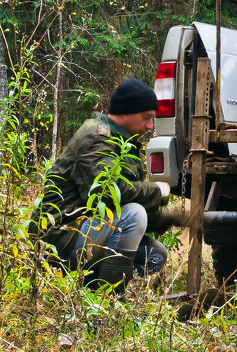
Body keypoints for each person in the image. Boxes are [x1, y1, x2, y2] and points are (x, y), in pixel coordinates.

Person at [32, 78, 177, 292]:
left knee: (154, 255)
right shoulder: (95, 138)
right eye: (146, 118)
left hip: (81, 233)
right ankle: (107, 299)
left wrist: (171, 219)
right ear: (126, 112)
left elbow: (117, 208)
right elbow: (109, 195)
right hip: (57, 240)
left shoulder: (122, 142)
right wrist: (156, 190)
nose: (149, 126)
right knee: (134, 214)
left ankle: (90, 287)